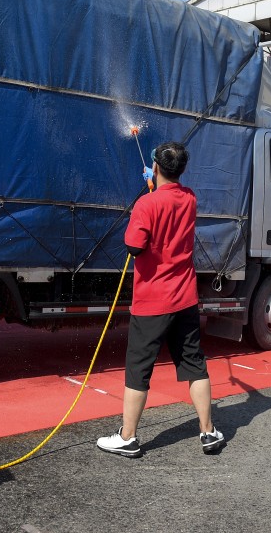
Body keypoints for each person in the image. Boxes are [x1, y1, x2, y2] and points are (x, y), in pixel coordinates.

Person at [96, 142, 224, 458]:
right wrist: (154, 188)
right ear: (181, 169)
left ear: (155, 167)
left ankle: (128, 437)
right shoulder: (190, 198)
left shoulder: (146, 204)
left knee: (139, 368)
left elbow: (134, 247)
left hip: (153, 299)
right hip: (184, 297)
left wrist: (149, 196)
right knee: (194, 364)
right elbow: (172, 204)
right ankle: (208, 432)